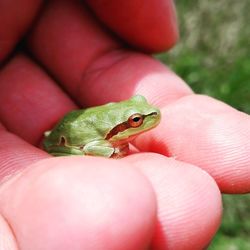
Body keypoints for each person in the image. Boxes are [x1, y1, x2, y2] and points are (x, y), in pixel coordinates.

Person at [0, 1, 249, 249]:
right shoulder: (106, 137)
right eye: (136, 121)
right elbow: (92, 146)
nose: (150, 117)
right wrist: (111, 151)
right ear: (125, 126)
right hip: (66, 141)